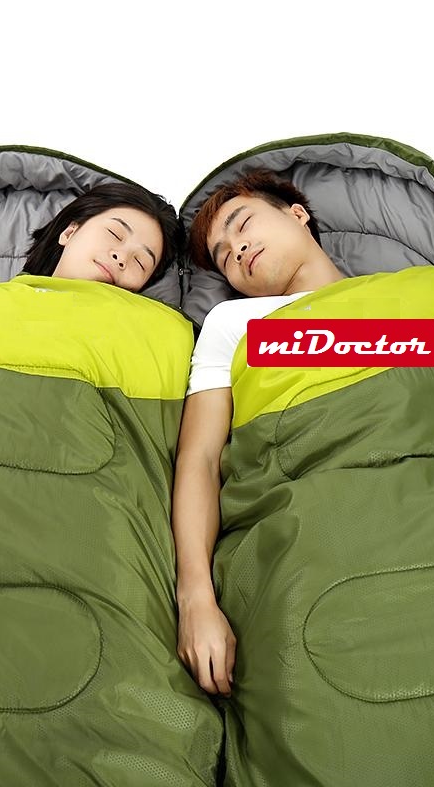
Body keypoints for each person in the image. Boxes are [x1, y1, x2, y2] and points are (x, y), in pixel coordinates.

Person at [172, 170, 348, 698]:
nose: (237, 249)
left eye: (242, 224)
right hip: (306, 547)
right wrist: (196, 600)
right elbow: (199, 459)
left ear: (298, 214)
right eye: (223, 256)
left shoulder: (407, 302)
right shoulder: (233, 325)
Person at [21, 181, 179, 292]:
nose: (122, 258)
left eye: (140, 262)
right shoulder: (6, 300)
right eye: (114, 234)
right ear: (69, 232)